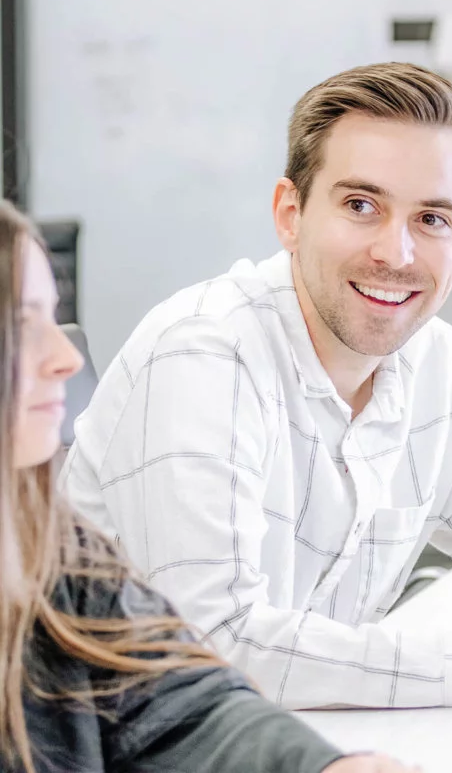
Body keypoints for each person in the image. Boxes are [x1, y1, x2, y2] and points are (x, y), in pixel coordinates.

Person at [62, 62, 452, 711]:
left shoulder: (440, 371)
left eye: (432, 219)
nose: (396, 253)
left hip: (302, 743)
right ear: (290, 214)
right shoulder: (203, 355)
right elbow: (212, 649)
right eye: (361, 205)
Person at [0, 200, 411, 772]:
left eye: (53, 318)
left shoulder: (46, 546)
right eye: (21, 328)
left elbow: (180, 698)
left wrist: (318, 766)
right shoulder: (203, 341)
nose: (66, 359)